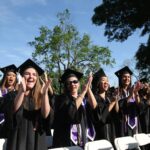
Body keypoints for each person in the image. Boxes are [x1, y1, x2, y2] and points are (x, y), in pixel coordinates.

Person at [0, 59, 53, 150]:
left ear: (37, 78)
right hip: (18, 140)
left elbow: (45, 115)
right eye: (27, 73)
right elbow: (13, 110)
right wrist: (21, 91)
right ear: (22, 76)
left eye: (34, 74)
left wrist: (44, 95)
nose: (31, 76)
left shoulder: (40, 96)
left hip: (37, 140)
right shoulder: (12, 95)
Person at [52, 68, 95, 148]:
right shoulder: (60, 99)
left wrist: (88, 89)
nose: (72, 84)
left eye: (75, 81)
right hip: (65, 141)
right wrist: (83, 92)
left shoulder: (84, 100)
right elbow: (71, 112)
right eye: (69, 83)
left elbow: (96, 111)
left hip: (83, 138)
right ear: (66, 85)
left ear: (79, 84)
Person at [89, 68, 118, 145]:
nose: (106, 83)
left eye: (107, 81)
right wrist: (112, 104)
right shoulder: (95, 98)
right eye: (103, 80)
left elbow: (117, 115)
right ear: (98, 83)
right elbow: (101, 118)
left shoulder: (109, 98)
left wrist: (116, 101)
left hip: (112, 132)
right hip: (100, 133)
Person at [114, 66, 142, 137]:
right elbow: (119, 108)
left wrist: (136, 93)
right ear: (120, 79)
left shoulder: (133, 90)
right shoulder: (117, 92)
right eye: (124, 77)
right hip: (123, 125)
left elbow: (139, 106)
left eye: (129, 77)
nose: (127, 79)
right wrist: (130, 95)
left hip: (135, 124)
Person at [0, 64, 18, 138]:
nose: (11, 77)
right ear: (5, 77)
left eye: (13, 76)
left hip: (13, 125)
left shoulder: (18, 92)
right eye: (9, 75)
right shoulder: (1, 91)